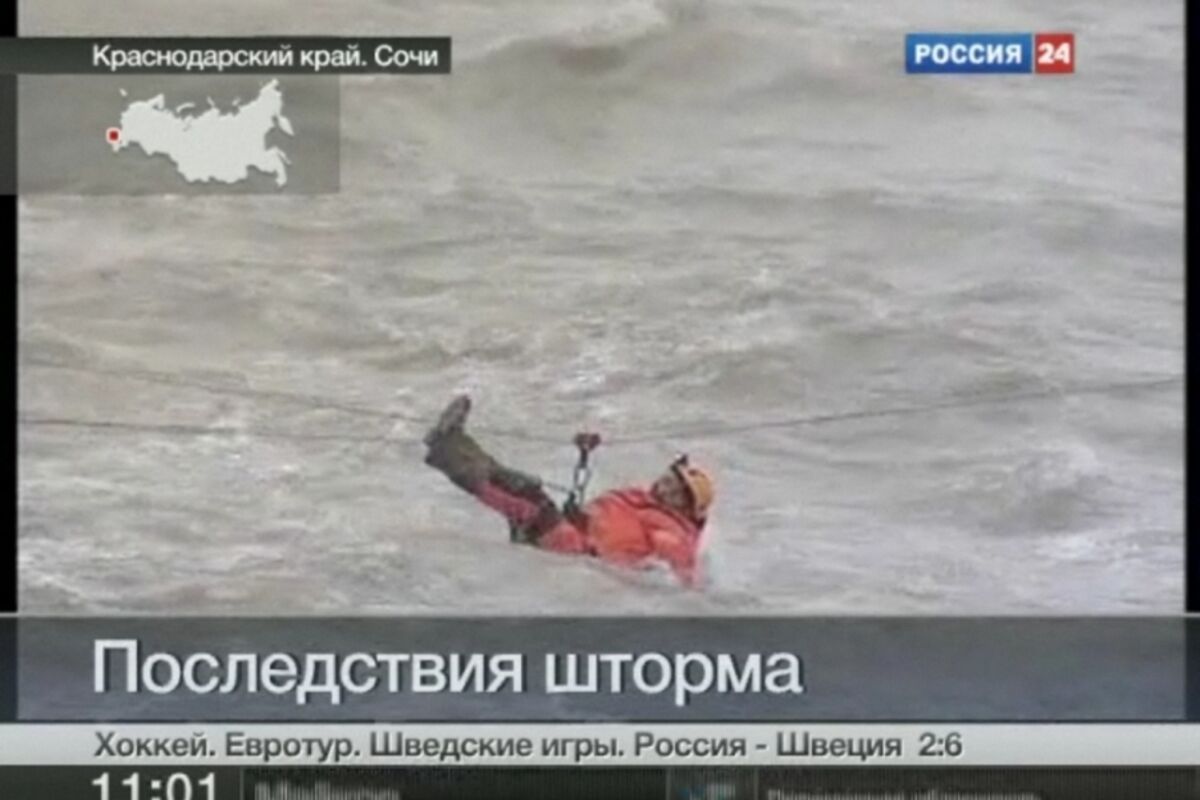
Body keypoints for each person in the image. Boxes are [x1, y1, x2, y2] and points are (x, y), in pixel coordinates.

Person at [423, 395, 714, 587]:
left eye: (675, 491)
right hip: (568, 538)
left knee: (527, 501)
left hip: (574, 553)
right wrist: (580, 517)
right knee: (519, 488)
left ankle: (445, 449)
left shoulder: (673, 530)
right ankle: (453, 443)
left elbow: (679, 574)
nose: (665, 487)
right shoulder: (641, 501)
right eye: (668, 480)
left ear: (687, 506)